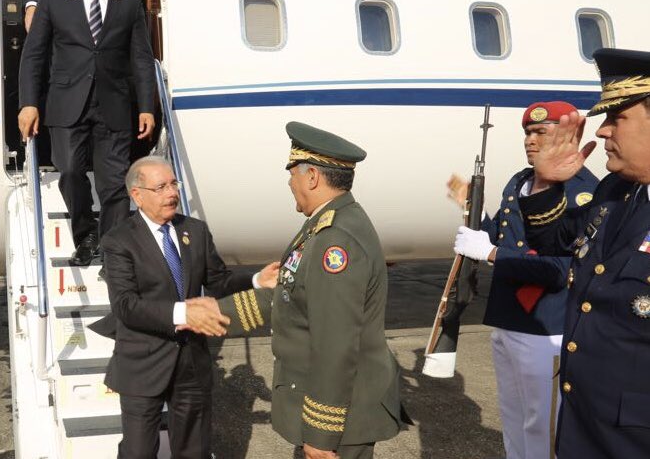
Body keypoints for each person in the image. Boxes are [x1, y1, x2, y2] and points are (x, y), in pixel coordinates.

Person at [188, 122, 406, 459]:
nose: (290, 183)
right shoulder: (323, 226)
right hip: (333, 416)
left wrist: (320, 434)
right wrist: (218, 313)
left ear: (312, 177)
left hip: (339, 425)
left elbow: (336, 342)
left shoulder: (336, 241)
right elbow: (287, 294)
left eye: (292, 174)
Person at [505, 48, 650, 458]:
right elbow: (556, 243)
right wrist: (547, 186)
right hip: (585, 428)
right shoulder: (616, 192)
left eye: (616, 118)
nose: (602, 132)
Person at [91, 156, 279, 459]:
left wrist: (257, 279)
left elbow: (218, 281)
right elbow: (126, 306)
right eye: (161, 187)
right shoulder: (119, 241)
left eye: (174, 184)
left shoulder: (196, 231)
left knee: (194, 451)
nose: (172, 193)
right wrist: (183, 312)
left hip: (191, 361)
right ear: (137, 195)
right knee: (138, 452)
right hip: (142, 362)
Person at [449, 101, 598, 459]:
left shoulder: (581, 191)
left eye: (541, 133)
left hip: (545, 327)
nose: (531, 140)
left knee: (543, 426)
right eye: (527, 133)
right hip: (508, 319)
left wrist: (491, 254)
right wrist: (474, 210)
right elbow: (502, 238)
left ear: (566, 139)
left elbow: (564, 269)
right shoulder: (521, 181)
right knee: (514, 419)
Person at [18, 0, 156, 268]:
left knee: (114, 185)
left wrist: (147, 106)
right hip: (67, 102)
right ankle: (86, 233)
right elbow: (34, 54)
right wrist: (29, 103)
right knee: (69, 171)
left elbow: (141, 57)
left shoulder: (128, 1)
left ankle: (112, 254)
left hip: (114, 104)